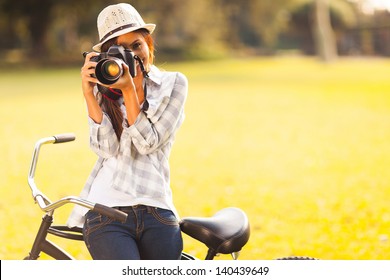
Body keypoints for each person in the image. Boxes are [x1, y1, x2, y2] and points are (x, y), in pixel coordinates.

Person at [67, 3, 187, 260]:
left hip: (156, 206)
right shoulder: (103, 87)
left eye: (136, 45)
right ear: (107, 55)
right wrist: (89, 93)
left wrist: (129, 90)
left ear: (149, 45)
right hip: (106, 210)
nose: (131, 55)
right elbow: (105, 149)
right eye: (120, 50)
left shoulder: (174, 84)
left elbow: (147, 143)